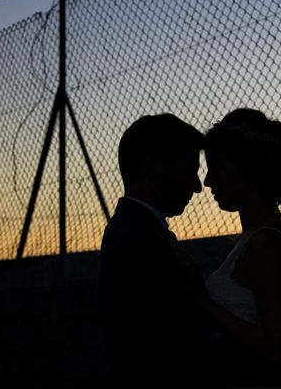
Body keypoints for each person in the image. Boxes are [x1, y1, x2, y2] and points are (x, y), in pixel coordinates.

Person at [96, 113, 208, 388]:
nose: (197, 186)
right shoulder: (138, 238)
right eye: (188, 170)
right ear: (153, 168)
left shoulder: (134, 230)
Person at [198, 108, 281, 388]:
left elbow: (276, 345)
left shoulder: (265, 244)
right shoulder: (254, 240)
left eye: (216, 168)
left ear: (242, 170)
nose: (208, 181)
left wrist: (203, 304)